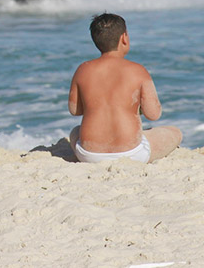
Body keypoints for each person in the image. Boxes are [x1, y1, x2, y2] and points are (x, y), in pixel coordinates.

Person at [68, 13, 182, 164]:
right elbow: (153, 114)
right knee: (175, 132)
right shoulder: (137, 70)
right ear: (124, 38)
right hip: (131, 153)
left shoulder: (83, 69)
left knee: (75, 131)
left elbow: (75, 110)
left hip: (89, 154)